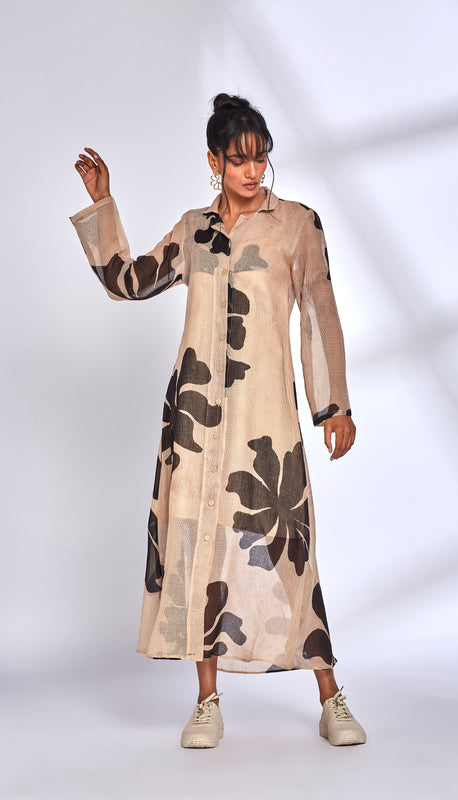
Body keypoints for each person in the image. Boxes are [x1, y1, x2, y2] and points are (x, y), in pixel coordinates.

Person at [70, 93, 366, 749]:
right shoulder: (193, 230)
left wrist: (335, 405)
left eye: (260, 157)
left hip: (265, 422)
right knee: (197, 547)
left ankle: (330, 695)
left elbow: (319, 310)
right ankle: (206, 701)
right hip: (194, 423)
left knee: (289, 553)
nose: (253, 171)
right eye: (238, 159)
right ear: (214, 161)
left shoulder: (296, 225)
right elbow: (129, 281)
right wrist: (102, 206)